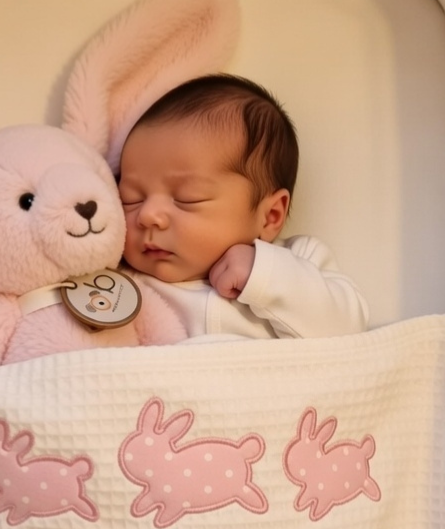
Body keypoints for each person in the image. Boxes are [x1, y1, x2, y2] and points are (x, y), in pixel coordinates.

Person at [117, 74, 369, 340]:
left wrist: (264, 274)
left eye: (187, 198)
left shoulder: (298, 261)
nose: (146, 215)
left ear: (270, 216)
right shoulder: (123, 286)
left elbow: (349, 330)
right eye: (131, 198)